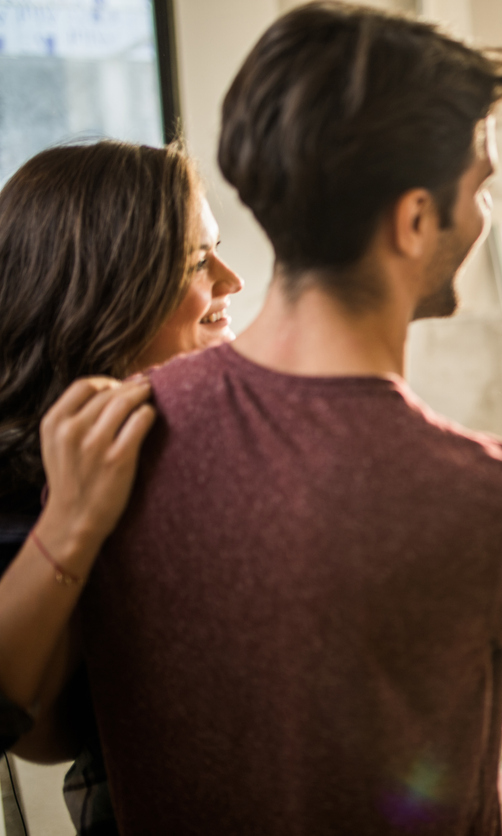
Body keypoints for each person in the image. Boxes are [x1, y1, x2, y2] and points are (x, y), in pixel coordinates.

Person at [71, 4, 502, 833]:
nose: (484, 216)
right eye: (481, 189)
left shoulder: (124, 431)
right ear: (412, 220)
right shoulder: (484, 495)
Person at [0, 139, 244, 832]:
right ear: (100, 293)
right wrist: (72, 525)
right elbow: (41, 732)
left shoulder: (179, 430)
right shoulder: (28, 489)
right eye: (200, 260)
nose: (233, 280)